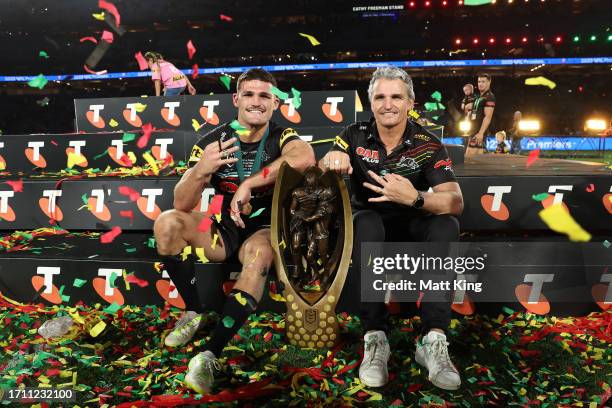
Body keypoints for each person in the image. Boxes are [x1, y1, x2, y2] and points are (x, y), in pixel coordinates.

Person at [153, 68, 315, 393]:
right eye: (250, 94)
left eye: (265, 96)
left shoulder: (281, 137)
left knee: (260, 252)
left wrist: (250, 183)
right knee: (167, 222)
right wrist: (200, 171)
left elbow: (304, 157)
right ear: (236, 98)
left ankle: (211, 353)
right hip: (225, 227)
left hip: (265, 226)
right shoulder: (212, 142)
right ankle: (195, 312)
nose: (257, 102)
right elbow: (182, 202)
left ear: (274, 103)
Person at [320, 66, 464, 391]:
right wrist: (331, 160)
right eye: (380, 97)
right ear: (371, 103)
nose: (388, 104)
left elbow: (455, 201)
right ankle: (375, 338)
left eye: (396, 96)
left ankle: (433, 340)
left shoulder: (428, 143)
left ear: (410, 102)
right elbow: (327, 160)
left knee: (446, 224)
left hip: (414, 223)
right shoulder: (354, 134)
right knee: (367, 222)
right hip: (370, 226)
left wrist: (414, 198)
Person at [465, 74, 495, 157]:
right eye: (479, 82)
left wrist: (481, 133)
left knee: (469, 159)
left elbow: (488, 117)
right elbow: (472, 111)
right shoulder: (479, 97)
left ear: (489, 82)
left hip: (478, 132)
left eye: (483, 82)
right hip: (474, 130)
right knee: (475, 160)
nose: (480, 84)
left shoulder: (489, 97)